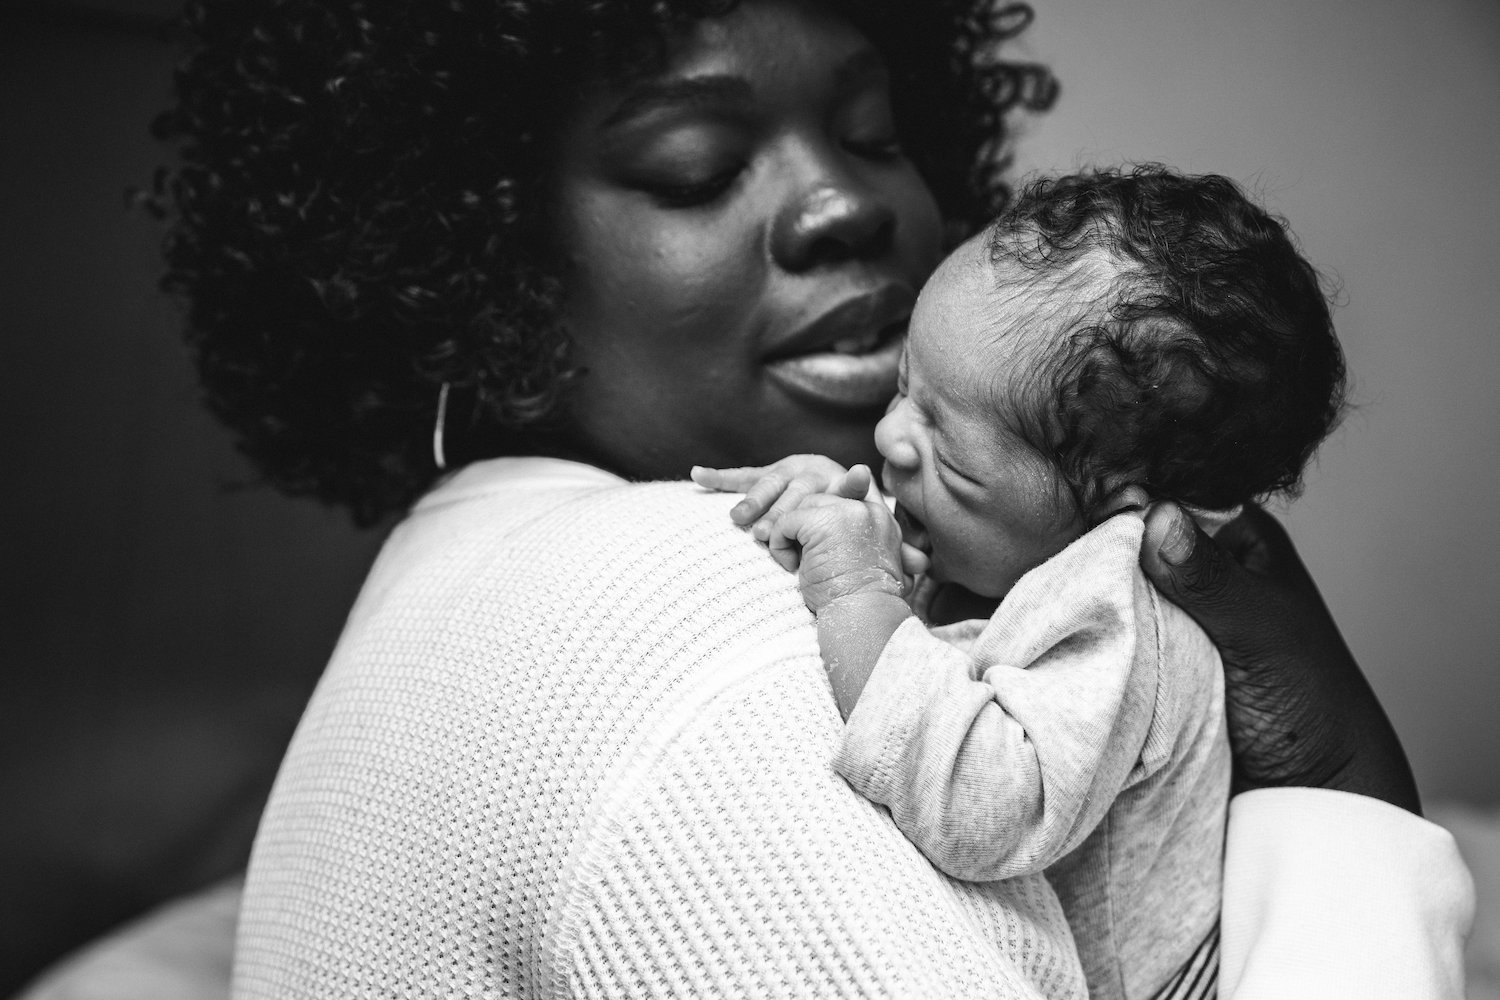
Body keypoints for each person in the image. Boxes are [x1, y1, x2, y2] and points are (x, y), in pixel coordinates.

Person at [30, 1, 1463, 998]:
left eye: (871, 127)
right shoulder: (711, 638)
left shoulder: (474, 568)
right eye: (695, 165)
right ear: (483, 268)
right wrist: (1348, 809)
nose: (844, 205)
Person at [694, 165, 1349, 1000]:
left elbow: (985, 803)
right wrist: (851, 531)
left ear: (1116, 509)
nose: (892, 436)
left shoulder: (1115, 613)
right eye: (906, 387)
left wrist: (858, 596)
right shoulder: (1014, 554)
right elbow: (952, 648)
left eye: (952, 456)